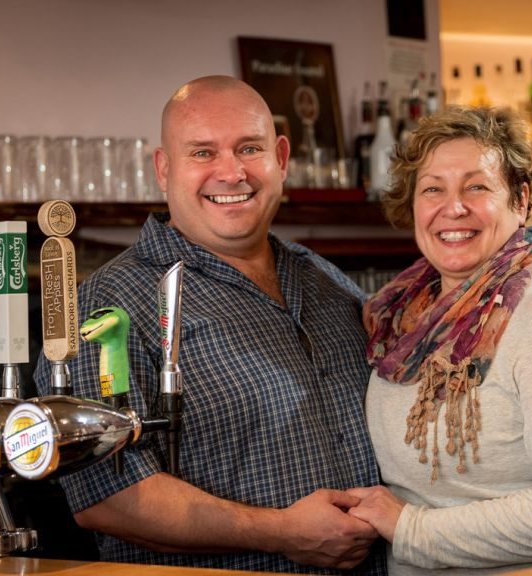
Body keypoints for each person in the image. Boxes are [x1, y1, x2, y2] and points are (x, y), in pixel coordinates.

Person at [33, 75, 385, 574]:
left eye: (249, 148)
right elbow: (108, 497)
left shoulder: (324, 279)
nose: (231, 172)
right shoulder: (106, 306)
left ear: (281, 158)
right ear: (164, 168)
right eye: (202, 153)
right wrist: (282, 531)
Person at [347, 106, 532, 574]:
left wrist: (410, 529)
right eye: (433, 188)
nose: (453, 208)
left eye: (476, 186)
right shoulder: (398, 315)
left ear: (520, 199)